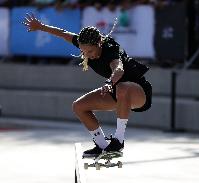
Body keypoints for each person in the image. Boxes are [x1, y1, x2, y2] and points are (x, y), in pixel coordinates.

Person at [22, 13, 152, 157]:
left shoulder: (111, 49)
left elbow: (118, 69)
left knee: (122, 88)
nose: (87, 55)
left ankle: (118, 141)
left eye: (90, 51)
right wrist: (41, 27)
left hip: (139, 92)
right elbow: (64, 34)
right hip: (115, 90)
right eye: (83, 51)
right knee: (78, 106)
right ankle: (103, 145)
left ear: (99, 43)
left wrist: (109, 82)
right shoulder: (83, 43)